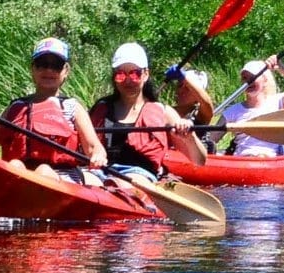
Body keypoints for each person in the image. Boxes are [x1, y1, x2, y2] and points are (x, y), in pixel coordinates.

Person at [0, 37, 108, 183]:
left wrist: (98, 157)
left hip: (62, 178)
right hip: (20, 177)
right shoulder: (16, 109)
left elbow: (94, 148)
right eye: (42, 64)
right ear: (33, 69)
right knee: (14, 165)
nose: (48, 70)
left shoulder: (72, 108)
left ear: (65, 71)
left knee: (43, 171)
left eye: (55, 65)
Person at [87, 42, 208, 176]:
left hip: (139, 176)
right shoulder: (101, 108)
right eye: (121, 74)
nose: (128, 81)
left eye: (135, 74)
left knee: (123, 182)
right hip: (101, 172)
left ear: (145, 74)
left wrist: (189, 137)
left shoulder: (164, 112)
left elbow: (199, 161)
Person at [223, 56, 284, 157]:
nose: (248, 82)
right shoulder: (232, 111)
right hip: (241, 160)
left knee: (261, 156)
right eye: (245, 78)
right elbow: (211, 138)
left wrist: (282, 68)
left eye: (253, 77)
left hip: (269, 159)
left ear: (265, 80)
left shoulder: (277, 102)